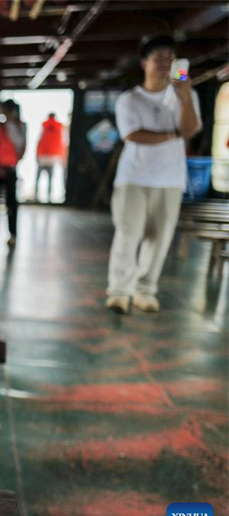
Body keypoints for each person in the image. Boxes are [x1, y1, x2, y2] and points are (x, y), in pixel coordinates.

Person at [106, 35, 201, 314]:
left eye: (170, 58)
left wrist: (184, 95)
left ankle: (145, 290)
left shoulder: (186, 95)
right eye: (158, 57)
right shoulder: (130, 99)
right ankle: (119, 291)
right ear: (144, 62)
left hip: (170, 179)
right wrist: (173, 135)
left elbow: (192, 129)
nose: (164, 63)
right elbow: (133, 135)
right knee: (128, 234)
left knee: (159, 239)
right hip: (133, 178)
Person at [0, 100, 26, 247]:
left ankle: (12, 234)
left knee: (11, 204)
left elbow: (20, 145)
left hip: (9, 169)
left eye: (6, 110)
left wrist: (10, 125)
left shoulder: (19, 127)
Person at [34, 112, 66, 203]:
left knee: (38, 178)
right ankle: (49, 198)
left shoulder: (44, 125)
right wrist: (61, 157)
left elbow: (39, 140)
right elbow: (63, 143)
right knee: (50, 179)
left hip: (42, 157)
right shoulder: (59, 126)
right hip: (53, 158)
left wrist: (37, 155)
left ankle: (36, 196)